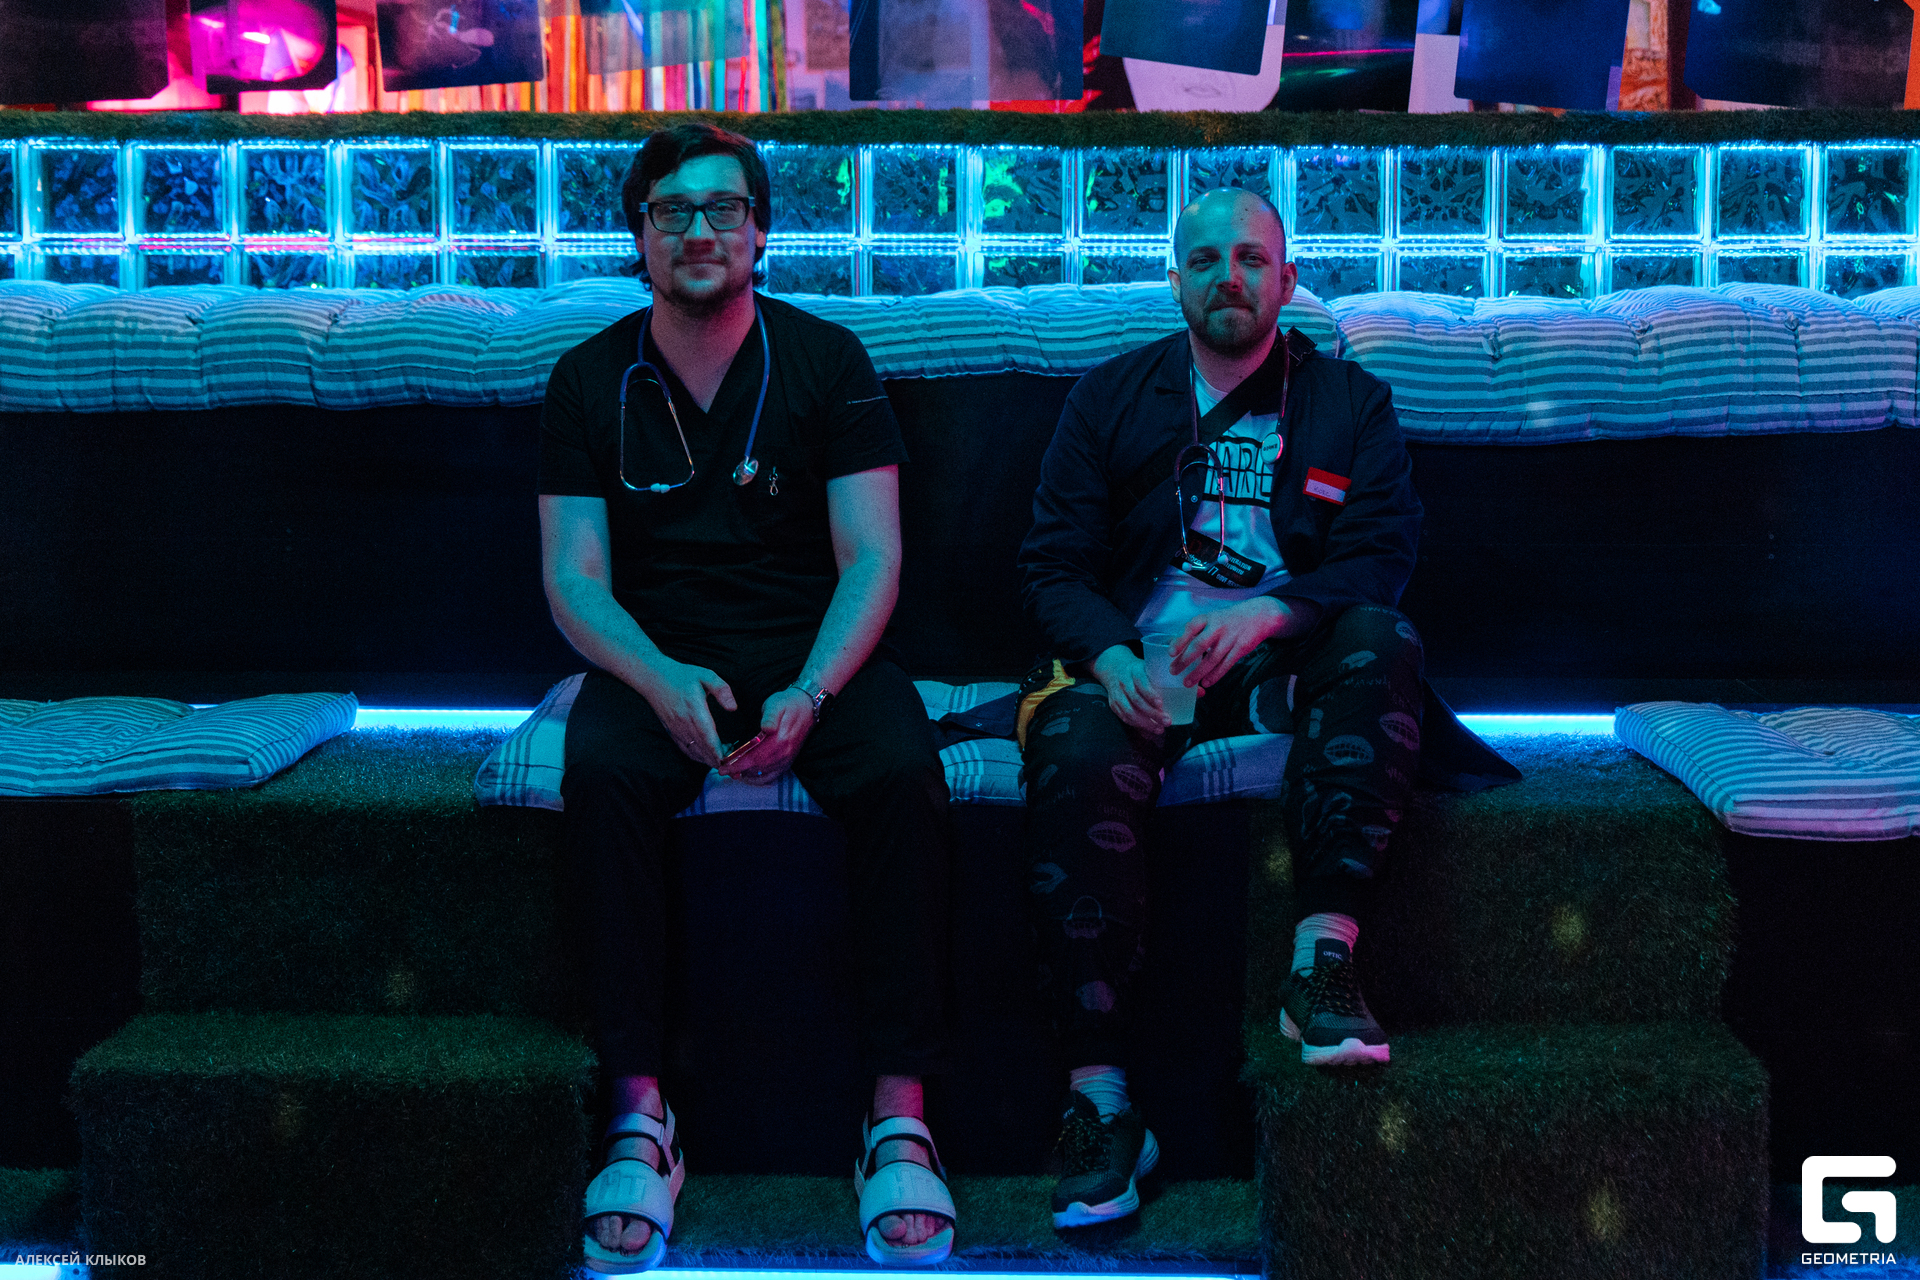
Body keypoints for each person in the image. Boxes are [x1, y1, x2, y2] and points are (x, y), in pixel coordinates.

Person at [1015, 187, 1517, 1228]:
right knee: (1070, 746)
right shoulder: (1108, 397)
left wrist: (1272, 614)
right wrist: (1110, 657)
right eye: (1204, 260)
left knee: (1384, 637)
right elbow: (1053, 566)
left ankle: (1321, 960)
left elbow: (1382, 555)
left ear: (1286, 281)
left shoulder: (1349, 402)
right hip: (1142, 666)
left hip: (1285, 659)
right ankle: (1101, 1099)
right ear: (1175, 283)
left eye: (1250, 259)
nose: (1228, 277)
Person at [538, 122, 958, 1273]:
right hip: (655, 652)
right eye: (671, 210)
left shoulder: (828, 360)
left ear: (761, 231)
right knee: (604, 771)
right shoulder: (588, 379)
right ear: (638, 237)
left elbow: (873, 557)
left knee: (903, 771)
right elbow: (574, 580)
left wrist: (813, 690)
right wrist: (660, 678)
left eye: (723, 208)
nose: (699, 230)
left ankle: (899, 1113)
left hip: (813, 647)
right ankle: (639, 1113)